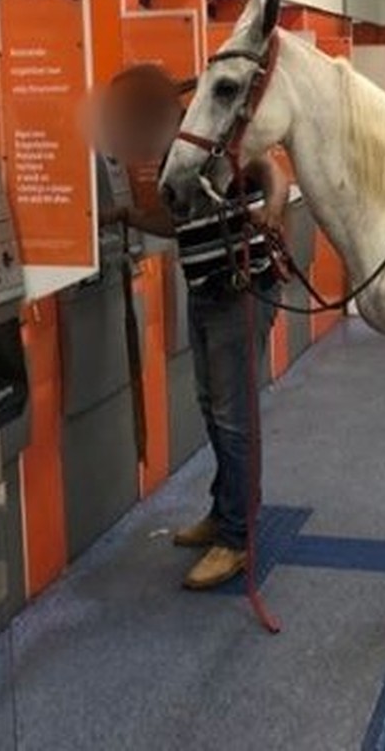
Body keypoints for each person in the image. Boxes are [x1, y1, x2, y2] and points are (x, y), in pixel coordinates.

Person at [96, 64, 287, 589]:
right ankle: (224, 513)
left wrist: (271, 206)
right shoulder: (171, 155)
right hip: (205, 290)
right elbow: (176, 223)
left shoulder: (210, 133)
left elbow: (272, 170)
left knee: (233, 418)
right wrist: (125, 217)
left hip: (240, 290)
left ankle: (236, 539)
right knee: (213, 409)